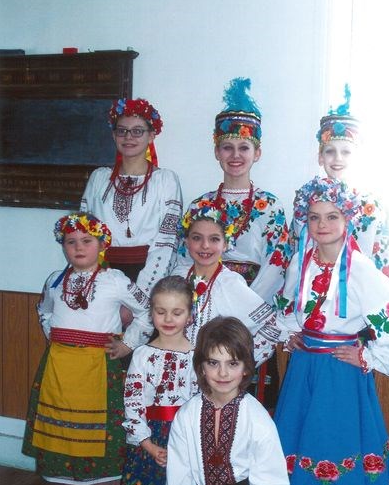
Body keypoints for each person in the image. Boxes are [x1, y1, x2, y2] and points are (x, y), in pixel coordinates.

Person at [274, 177, 389, 485]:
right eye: (314, 217)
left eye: (332, 216)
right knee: (304, 457)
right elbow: (288, 305)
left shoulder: (360, 268)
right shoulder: (301, 260)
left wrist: (368, 354)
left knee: (331, 457)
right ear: (305, 221)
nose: (322, 224)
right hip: (305, 370)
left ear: (347, 220)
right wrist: (288, 331)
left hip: (339, 376)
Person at [22, 212, 152, 485]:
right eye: (70, 242)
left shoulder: (116, 281)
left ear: (102, 244)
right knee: (66, 441)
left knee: (97, 444)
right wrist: (54, 335)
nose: (78, 248)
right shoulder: (55, 280)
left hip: (99, 370)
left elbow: (147, 311)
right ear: (63, 246)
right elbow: (45, 310)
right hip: (60, 371)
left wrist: (127, 344)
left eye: (86, 241)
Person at [155, 316, 290, 485]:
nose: (223, 373)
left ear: (245, 368)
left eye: (233, 363)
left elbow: (271, 479)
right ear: (201, 366)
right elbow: (179, 480)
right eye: (213, 363)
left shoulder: (256, 417)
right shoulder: (187, 415)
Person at [81, 97, 183, 354]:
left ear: (151, 135)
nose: (129, 137)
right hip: (102, 274)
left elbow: (166, 244)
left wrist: (137, 301)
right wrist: (98, 287)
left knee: (138, 363)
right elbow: (84, 238)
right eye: (122, 130)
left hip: (148, 275)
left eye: (138, 131)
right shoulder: (98, 179)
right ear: (114, 135)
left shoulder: (165, 181)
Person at [176, 77, 291, 305]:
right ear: (217, 152)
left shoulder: (269, 206)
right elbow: (183, 259)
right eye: (227, 147)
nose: (235, 156)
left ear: (257, 153)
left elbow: (276, 265)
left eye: (244, 148)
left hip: (252, 305)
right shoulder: (200, 206)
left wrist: (243, 306)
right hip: (204, 301)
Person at [116, 276, 198, 485]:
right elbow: (134, 403)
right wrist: (147, 444)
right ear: (151, 313)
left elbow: (204, 401)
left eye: (177, 312)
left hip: (187, 438)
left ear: (190, 315)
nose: (168, 319)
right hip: (153, 439)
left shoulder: (199, 356)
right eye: (160, 311)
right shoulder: (142, 355)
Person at [290, 84, 389, 282]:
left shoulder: (372, 205)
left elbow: (383, 260)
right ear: (320, 157)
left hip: (358, 292)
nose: (337, 158)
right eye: (330, 151)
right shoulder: (306, 200)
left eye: (346, 152)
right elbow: (295, 248)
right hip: (314, 287)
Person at [173, 201, 281, 365]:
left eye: (214, 239)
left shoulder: (230, 284)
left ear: (225, 244)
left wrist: (239, 365)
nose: (205, 245)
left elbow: (272, 325)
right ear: (187, 241)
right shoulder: (178, 276)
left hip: (211, 378)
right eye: (196, 238)